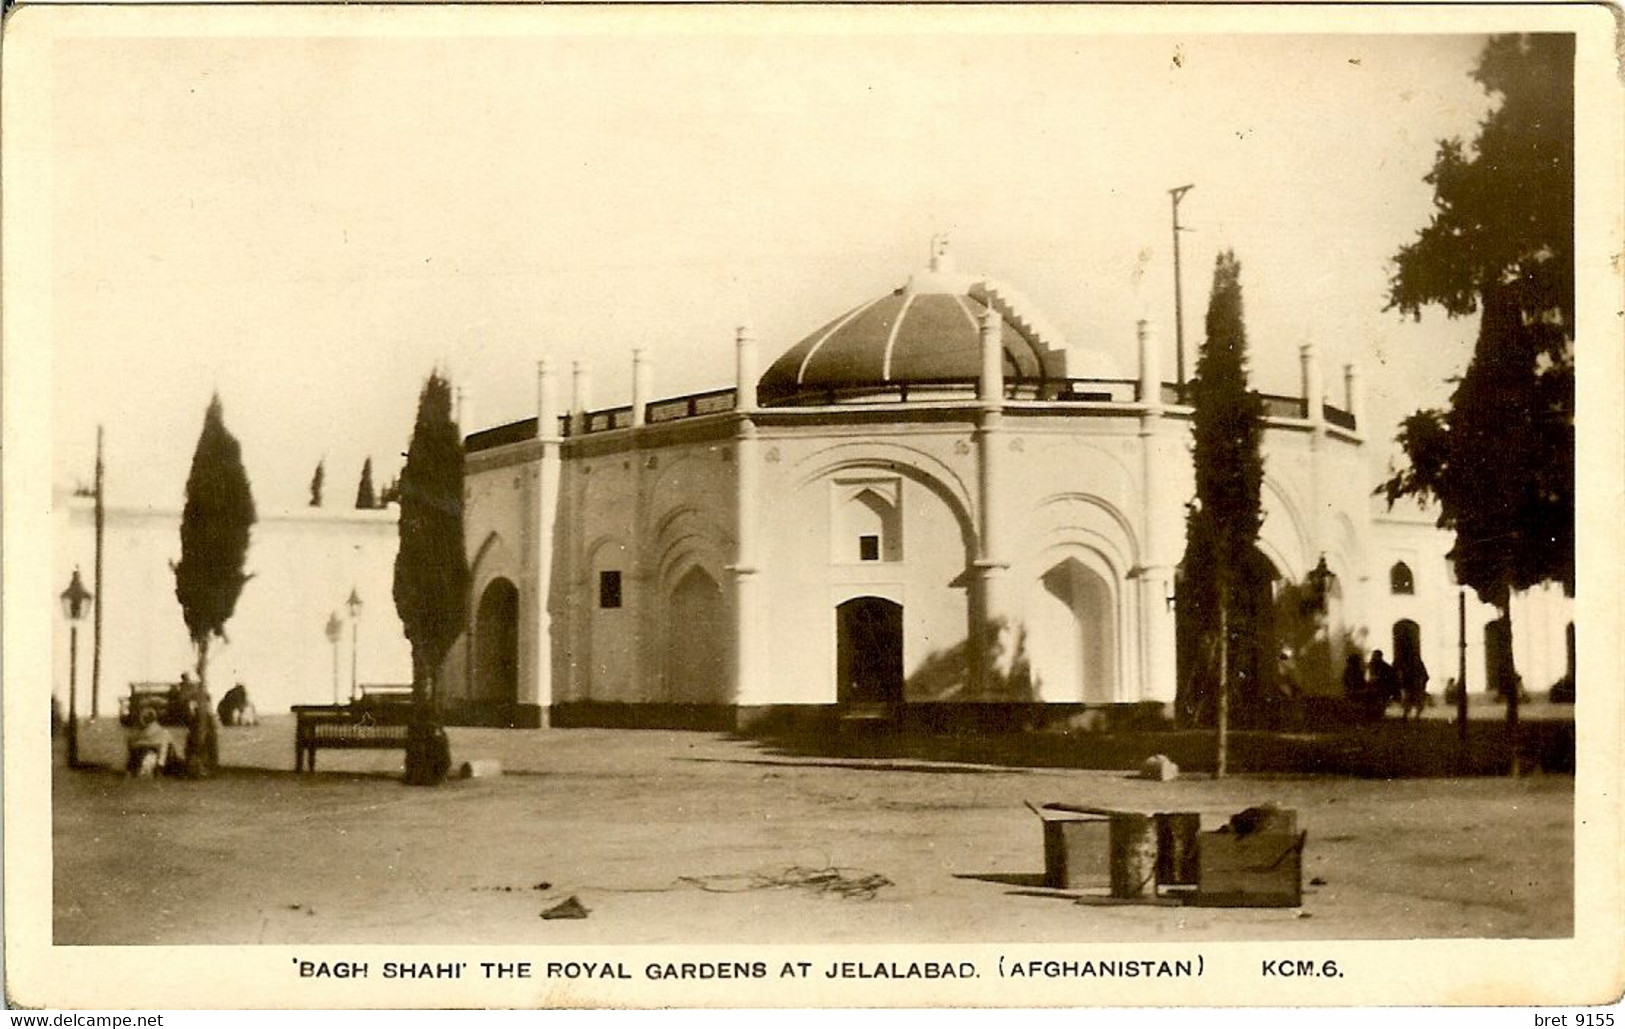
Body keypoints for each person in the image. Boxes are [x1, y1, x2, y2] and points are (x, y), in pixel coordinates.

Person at [125, 706, 175, 777]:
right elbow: (132, 745)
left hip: (162, 762)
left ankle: (156, 771)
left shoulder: (161, 732)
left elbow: (162, 748)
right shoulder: (139, 732)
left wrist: (142, 743)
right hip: (149, 758)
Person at [1366, 649, 1398, 721]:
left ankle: (1379, 715)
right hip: (1373, 687)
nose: (1373, 657)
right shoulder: (1371, 665)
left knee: (1381, 702)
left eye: (1375, 656)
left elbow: (1390, 677)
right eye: (1373, 655)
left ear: (1379, 657)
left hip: (1382, 687)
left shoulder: (1385, 667)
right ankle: (1375, 715)